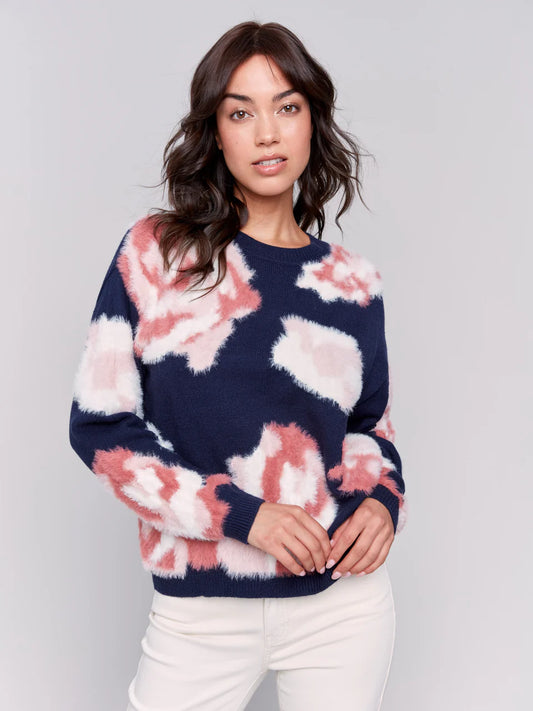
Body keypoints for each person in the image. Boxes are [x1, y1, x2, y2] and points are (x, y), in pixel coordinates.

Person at [68, 20, 407, 711]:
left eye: (287, 107)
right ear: (215, 133)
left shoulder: (353, 284)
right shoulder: (155, 254)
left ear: (312, 121)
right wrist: (244, 516)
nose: (267, 133)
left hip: (341, 605)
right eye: (241, 112)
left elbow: (369, 429)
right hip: (201, 612)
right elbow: (99, 428)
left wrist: (382, 500)